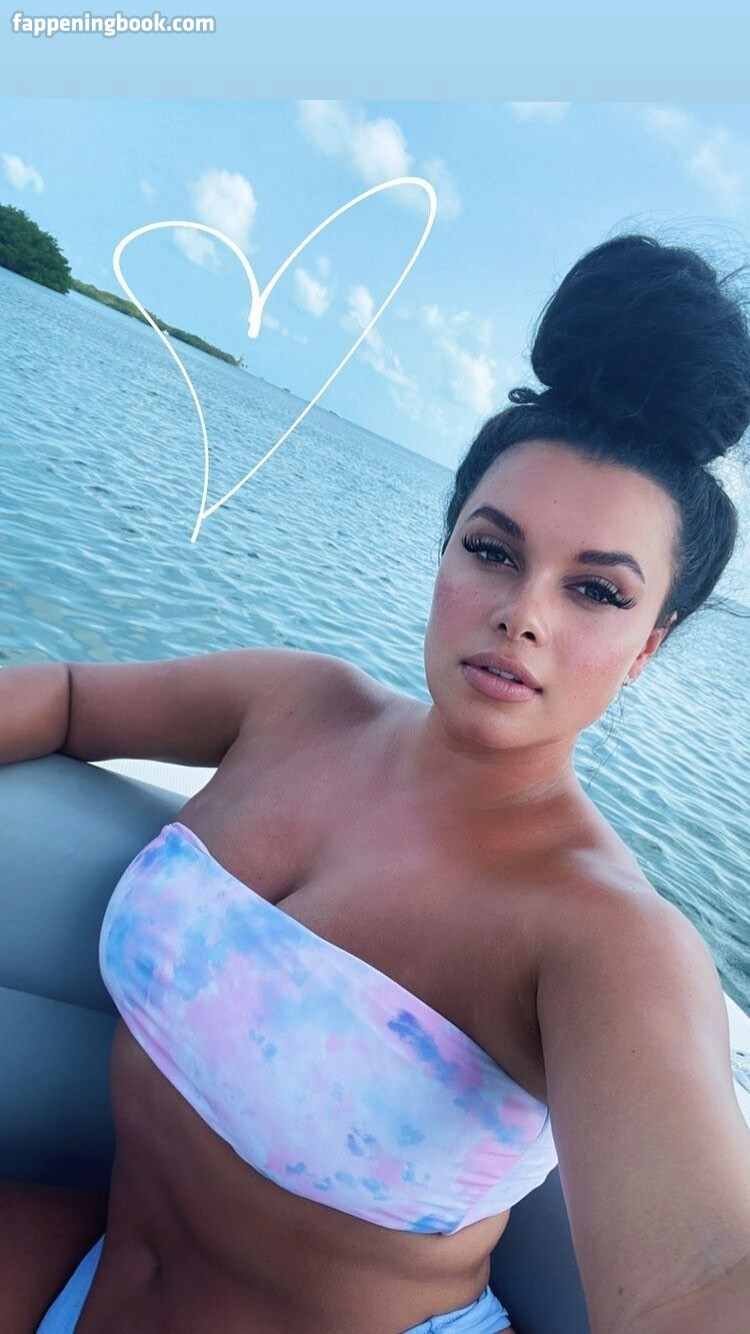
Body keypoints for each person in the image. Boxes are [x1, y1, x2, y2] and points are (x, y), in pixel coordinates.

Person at [2, 231, 750, 1334]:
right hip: (96, 1264)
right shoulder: (295, 705)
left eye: (595, 591)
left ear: (650, 644)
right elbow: (67, 696)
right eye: (494, 550)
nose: (523, 613)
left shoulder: (606, 939)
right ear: (445, 549)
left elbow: (702, 1276)